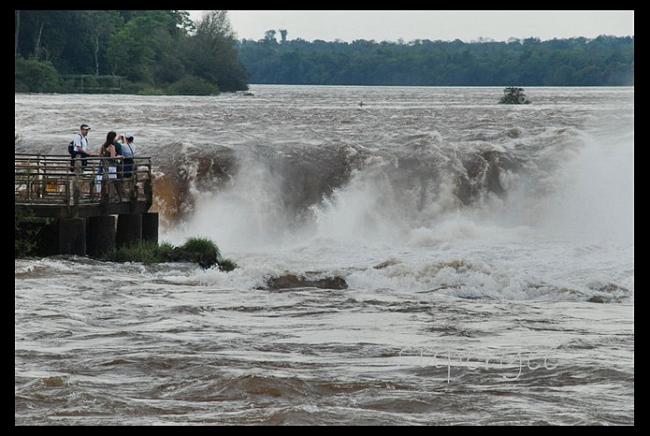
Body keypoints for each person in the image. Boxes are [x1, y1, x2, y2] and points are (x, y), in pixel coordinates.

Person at [95, 131, 123, 196]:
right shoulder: (112, 146)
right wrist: (120, 156)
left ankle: (101, 194)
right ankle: (112, 195)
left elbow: (100, 155)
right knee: (112, 182)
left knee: (103, 181)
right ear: (113, 138)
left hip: (103, 166)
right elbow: (112, 157)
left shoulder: (103, 146)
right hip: (111, 166)